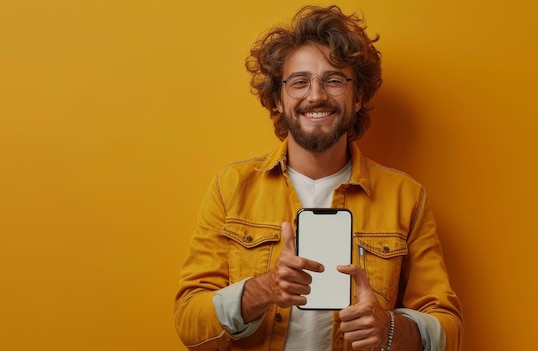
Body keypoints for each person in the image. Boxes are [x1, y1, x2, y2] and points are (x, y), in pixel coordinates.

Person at [174, 4, 462, 351]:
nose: (316, 95)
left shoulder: (407, 197)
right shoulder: (232, 187)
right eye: (299, 82)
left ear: (358, 97)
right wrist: (263, 289)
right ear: (277, 100)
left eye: (334, 80)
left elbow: (449, 330)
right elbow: (190, 324)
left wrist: (390, 328)